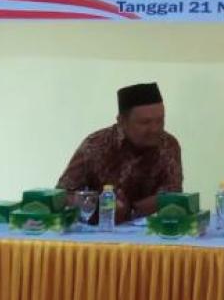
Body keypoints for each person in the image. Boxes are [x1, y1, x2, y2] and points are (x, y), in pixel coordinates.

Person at [57, 82, 182, 223]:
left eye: (160, 121)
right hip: (99, 229)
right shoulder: (95, 145)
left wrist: (131, 209)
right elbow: (62, 195)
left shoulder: (168, 144)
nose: (154, 129)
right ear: (122, 121)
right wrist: (100, 204)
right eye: (145, 123)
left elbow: (173, 196)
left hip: (150, 230)